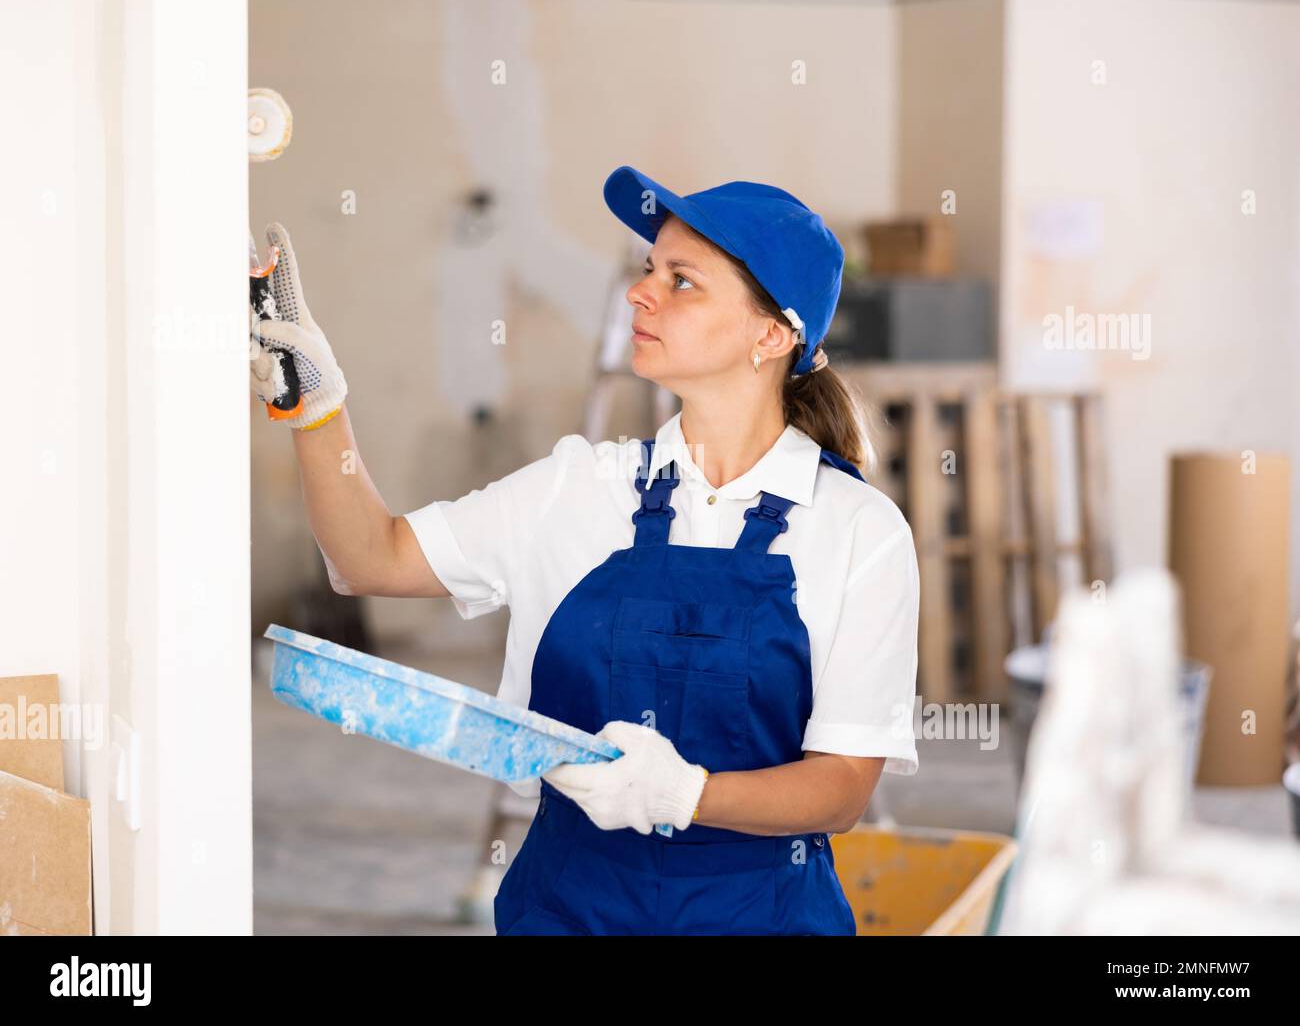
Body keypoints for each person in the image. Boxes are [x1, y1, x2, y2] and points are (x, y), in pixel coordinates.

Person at [250, 165, 920, 936]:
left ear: (771, 334)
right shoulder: (578, 488)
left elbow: (841, 789)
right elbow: (368, 557)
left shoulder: (857, 530)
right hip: (568, 913)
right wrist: (315, 408)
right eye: (648, 271)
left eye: (683, 282)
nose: (641, 294)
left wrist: (685, 794)